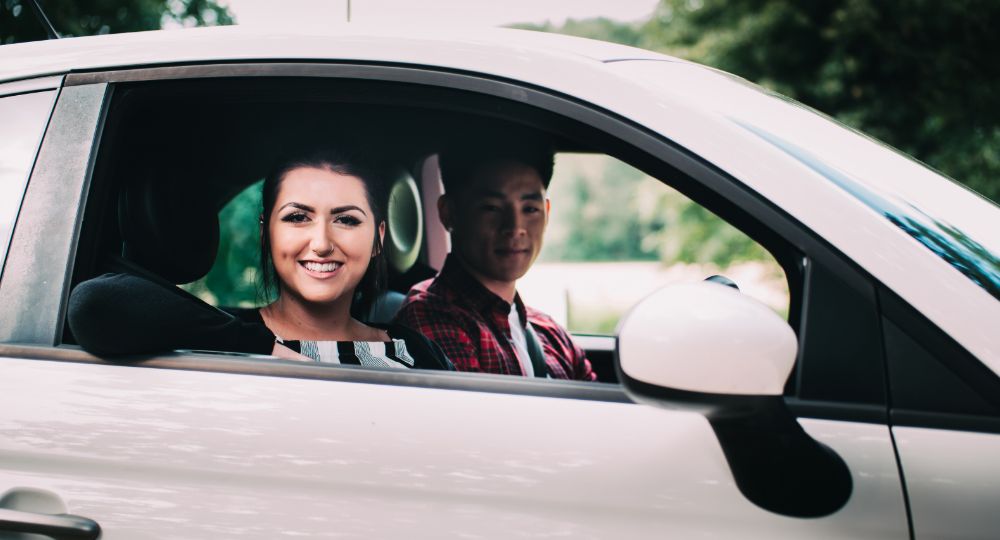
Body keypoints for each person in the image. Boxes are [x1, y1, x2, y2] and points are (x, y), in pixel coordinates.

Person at [69, 148, 452, 371]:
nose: (320, 243)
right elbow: (95, 306)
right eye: (298, 217)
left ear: (378, 239)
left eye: (347, 220)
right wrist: (265, 347)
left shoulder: (413, 351)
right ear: (268, 234)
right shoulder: (220, 340)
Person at [393, 136, 595, 380]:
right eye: (491, 207)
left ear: (547, 213)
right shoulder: (430, 316)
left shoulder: (550, 332)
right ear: (449, 213)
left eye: (530, 209)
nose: (515, 227)